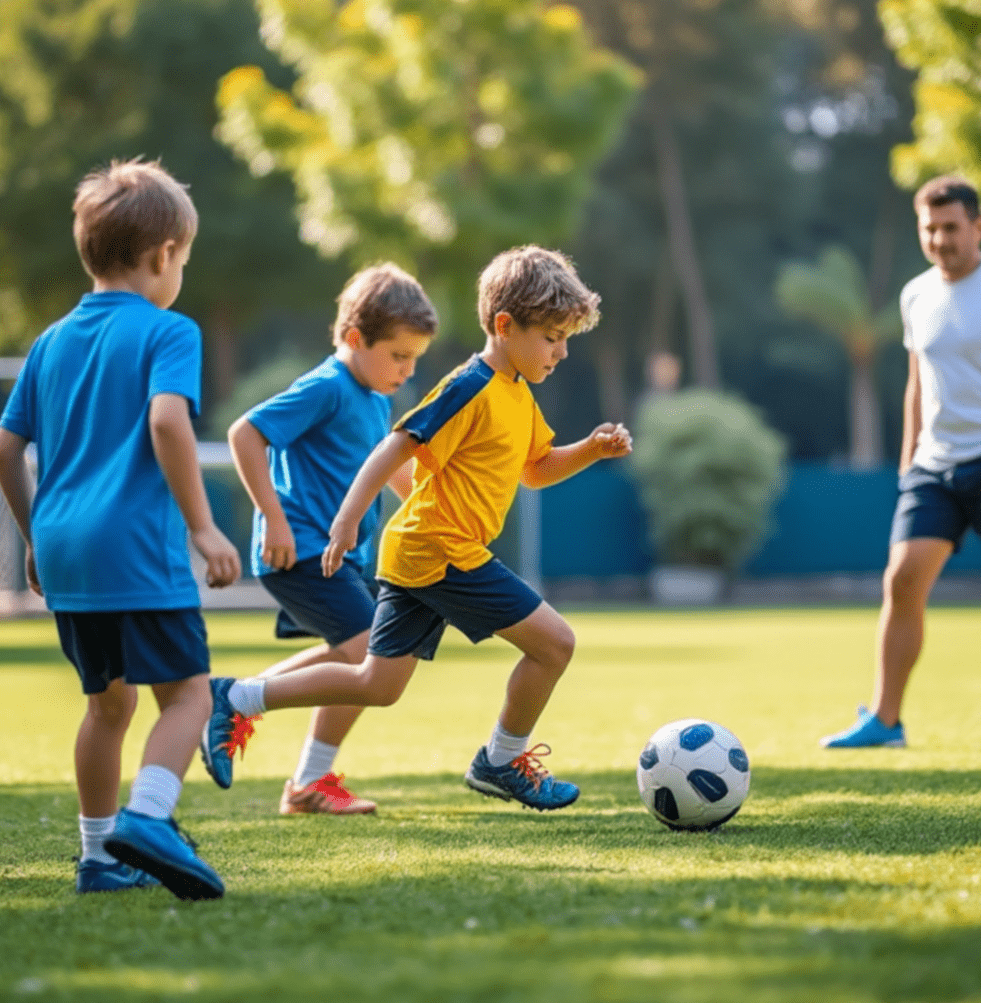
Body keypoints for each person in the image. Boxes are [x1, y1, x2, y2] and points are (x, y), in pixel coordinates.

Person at [203, 245, 632, 810]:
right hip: (441, 550)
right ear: (504, 326)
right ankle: (501, 760)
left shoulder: (517, 395)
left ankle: (237, 697)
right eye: (551, 335)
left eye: (565, 337)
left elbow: (535, 469)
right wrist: (347, 520)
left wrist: (589, 450)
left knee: (376, 686)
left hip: (420, 555)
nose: (562, 350)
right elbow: (395, 446)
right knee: (555, 644)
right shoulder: (469, 386)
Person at [0, 159, 241, 898]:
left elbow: (7, 446)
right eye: (185, 261)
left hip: (66, 550)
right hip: (135, 547)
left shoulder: (50, 342)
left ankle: (99, 857)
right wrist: (204, 529)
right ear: (165, 253)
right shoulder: (169, 331)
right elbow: (168, 420)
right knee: (190, 697)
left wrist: (36, 536)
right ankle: (149, 817)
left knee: (108, 704)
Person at [204, 263, 437, 814]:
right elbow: (246, 433)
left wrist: (432, 511)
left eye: (414, 359)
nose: (406, 369)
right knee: (367, 658)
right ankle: (234, 699)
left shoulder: (375, 395)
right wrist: (274, 519)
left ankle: (304, 777)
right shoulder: (329, 385)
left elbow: (380, 468)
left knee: (352, 659)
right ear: (355, 339)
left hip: (339, 558)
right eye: (398, 355)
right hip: (301, 549)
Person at [822, 176, 981, 748]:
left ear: (977, 225)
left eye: (951, 227)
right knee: (901, 581)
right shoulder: (915, 294)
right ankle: (885, 720)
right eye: (930, 228)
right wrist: (908, 463)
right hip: (934, 468)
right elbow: (916, 384)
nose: (940, 239)